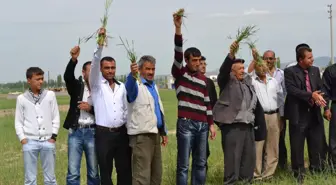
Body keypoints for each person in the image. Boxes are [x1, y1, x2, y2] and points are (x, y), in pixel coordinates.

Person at [213, 42, 266, 185]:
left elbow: (251, 71)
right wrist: (231, 54)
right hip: (233, 127)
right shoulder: (227, 81)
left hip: (248, 127)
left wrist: (256, 59)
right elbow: (223, 70)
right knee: (232, 164)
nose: (243, 70)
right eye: (240, 68)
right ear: (232, 71)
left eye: (243, 68)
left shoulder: (247, 82)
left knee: (248, 163)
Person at [172, 13, 216, 185]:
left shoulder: (203, 79)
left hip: (203, 125)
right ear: (187, 60)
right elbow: (177, 51)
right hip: (186, 123)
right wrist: (178, 28)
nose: (198, 64)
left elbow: (208, 103)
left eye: (199, 60)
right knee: (183, 165)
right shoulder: (180, 73)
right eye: (194, 61)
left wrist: (211, 124)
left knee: (201, 163)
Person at [89, 28, 132, 185]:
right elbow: (94, 63)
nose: (110, 71)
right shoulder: (96, 85)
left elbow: (125, 110)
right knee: (106, 172)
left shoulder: (122, 86)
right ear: (101, 69)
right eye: (107, 68)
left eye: (113, 68)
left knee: (124, 170)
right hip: (104, 135)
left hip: (121, 133)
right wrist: (100, 44)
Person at [284, 43, 328, 184]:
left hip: (314, 114)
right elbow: (292, 90)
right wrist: (311, 95)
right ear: (300, 60)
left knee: (317, 144)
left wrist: (320, 97)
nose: (312, 60)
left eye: (312, 56)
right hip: (298, 114)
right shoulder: (290, 72)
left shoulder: (315, 71)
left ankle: (317, 170)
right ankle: (299, 174)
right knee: (297, 146)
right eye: (309, 58)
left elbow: (320, 88)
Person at [125, 55, 168, 185]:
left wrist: (163, 131)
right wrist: (132, 75)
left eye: (153, 69)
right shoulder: (136, 85)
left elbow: (157, 110)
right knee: (141, 177)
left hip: (154, 134)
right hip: (141, 137)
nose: (150, 72)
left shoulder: (153, 86)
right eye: (147, 69)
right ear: (139, 69)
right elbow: (129, 87)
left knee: (156, 176)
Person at [15, 67, 60, 185]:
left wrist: (53, 136)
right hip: (30, 141)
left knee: (50, 179)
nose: (41, 81)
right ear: (29, 80)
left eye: (42, 78)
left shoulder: (50, 95)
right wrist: (23, 139)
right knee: (30, 179)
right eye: (37, 79)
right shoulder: (21, 99)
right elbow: (18, 121)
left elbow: (55, 117)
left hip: (48, 141)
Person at [63, 46, 100, 185]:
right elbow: (67, 77)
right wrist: (73, 59)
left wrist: (90, 108)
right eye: (89, 71)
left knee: (94, 172)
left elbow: (106, 112)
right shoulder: (77, 86)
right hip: (76, 132)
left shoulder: (100, 90)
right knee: (73, 173)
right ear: (83, 72)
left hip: (93, 132)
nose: (92, 75)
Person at [247, 50, 287, 169]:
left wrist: (281, 116)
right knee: (258, 145)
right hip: (260, 116)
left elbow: (280, 99)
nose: (263, 68)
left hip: (274, 116)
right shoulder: (253, 81)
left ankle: (269, 173)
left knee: (273, 146)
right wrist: (254, 58)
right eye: (260, 65)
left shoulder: (273, 81)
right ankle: (256, 173)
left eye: (264, 67)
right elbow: (247, 74)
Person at [198, 56, 218, 172]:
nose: (204, 65)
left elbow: (214, 102)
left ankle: (203, 175)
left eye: (205, 63)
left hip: (206, 122)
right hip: (193, 120)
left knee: (204, 151)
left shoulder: (209, 82)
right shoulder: (191, 81)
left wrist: (212, 122)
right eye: (201, 63)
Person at [322, 59, 336, 167]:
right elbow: (325, 91)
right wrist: (326, 108)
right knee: (334, 138)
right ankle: (334, 166)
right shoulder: (330, 70)